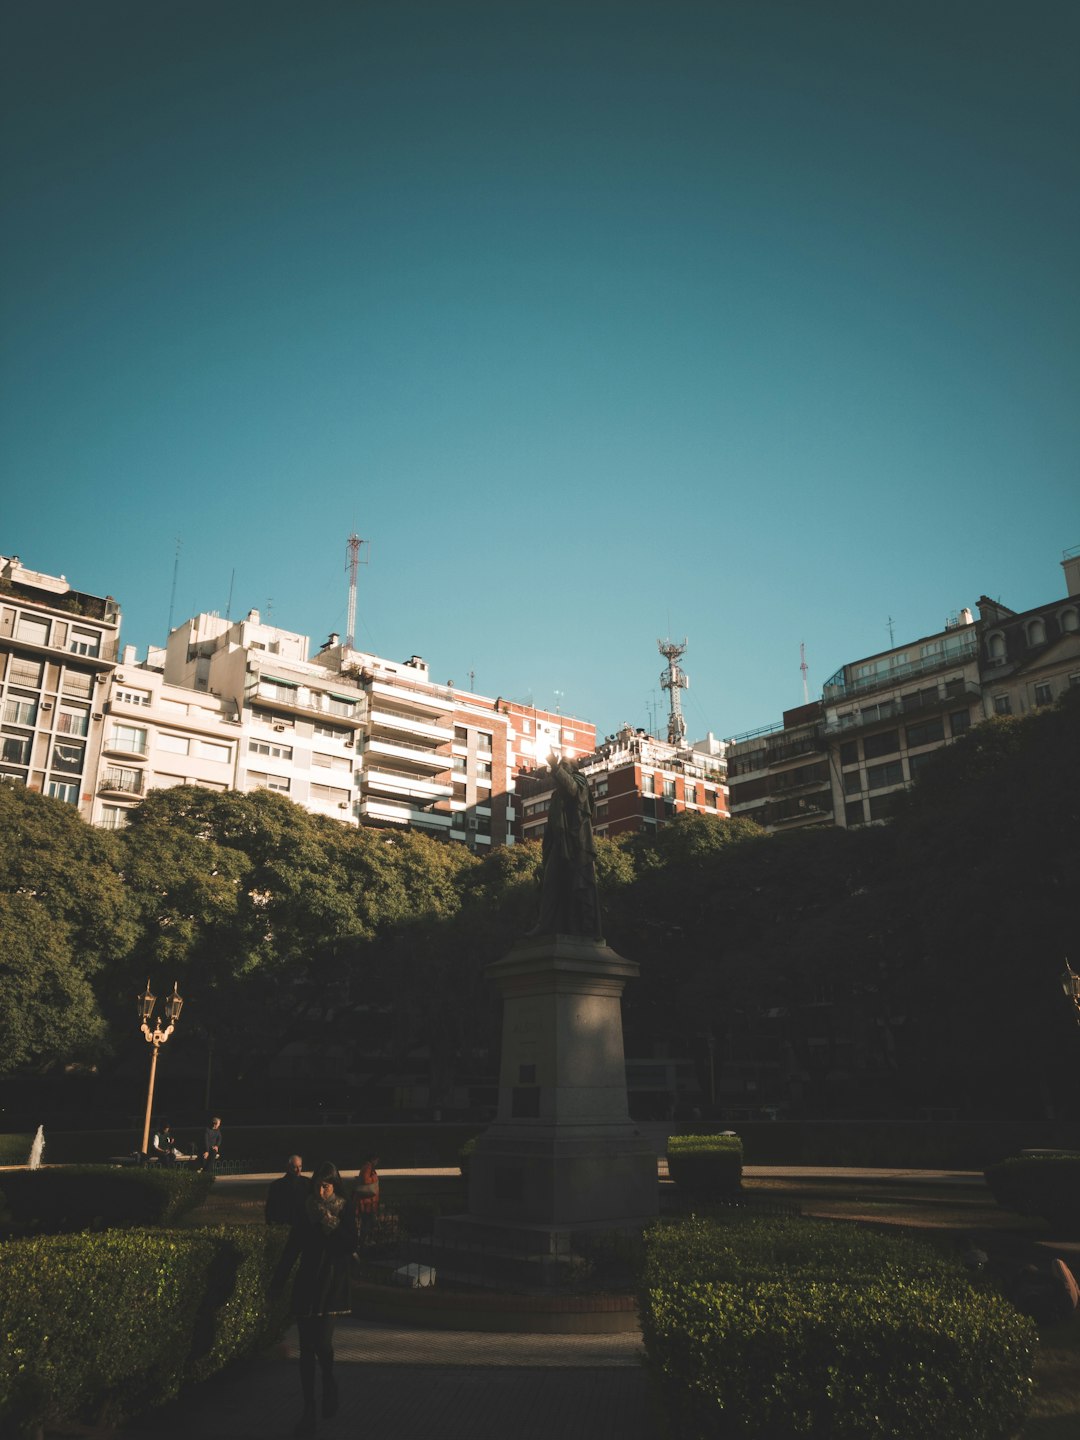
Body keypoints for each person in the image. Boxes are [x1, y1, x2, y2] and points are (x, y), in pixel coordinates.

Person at [271, 1161, 358, 1437]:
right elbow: (292, 1248)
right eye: (318, 1185)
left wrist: (329, 1222)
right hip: (308, 1282)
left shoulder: (343, 1207)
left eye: (326, 1185)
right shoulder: (305, 1208)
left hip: (331, 1283)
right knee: (306, 1350)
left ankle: (329, 1380)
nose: (321, 1191)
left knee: (322, 1343)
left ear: (334, 1185)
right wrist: (277, 1284)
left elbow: (351, 1243)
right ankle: (308, 1409)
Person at [526, 752, 602, 938]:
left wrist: (555, 766)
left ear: (573, 769)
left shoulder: (580, 781)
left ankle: (580, 926)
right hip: (559, 845)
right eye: (560, 765)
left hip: (576, 845)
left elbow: (574, 791)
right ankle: (546, 925)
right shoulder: (556, 794)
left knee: (576, 886)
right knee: (551, 885)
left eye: (564, 765)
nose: (561, 768)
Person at [266, 1155, 307, 1226]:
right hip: (285, 1224)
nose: (298, 1170)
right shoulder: (277, 1185)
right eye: (295, 1167)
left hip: (303, 1223)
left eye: (300, 1166)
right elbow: (270, 1208)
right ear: (288, 1167)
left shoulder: (307, 1183)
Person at [353, 1154, 380, 1246]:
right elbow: (365, 1180)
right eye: (376, 1159)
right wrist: (374, 1178)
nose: (377, 1162)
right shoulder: (367, 1167)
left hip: (368, 1203)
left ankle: (364, 1242)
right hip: (367, 1203)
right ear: (373, 1159)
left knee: (368, 1223)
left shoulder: (367, 1167)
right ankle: (363, 1242)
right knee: (368, 1223)